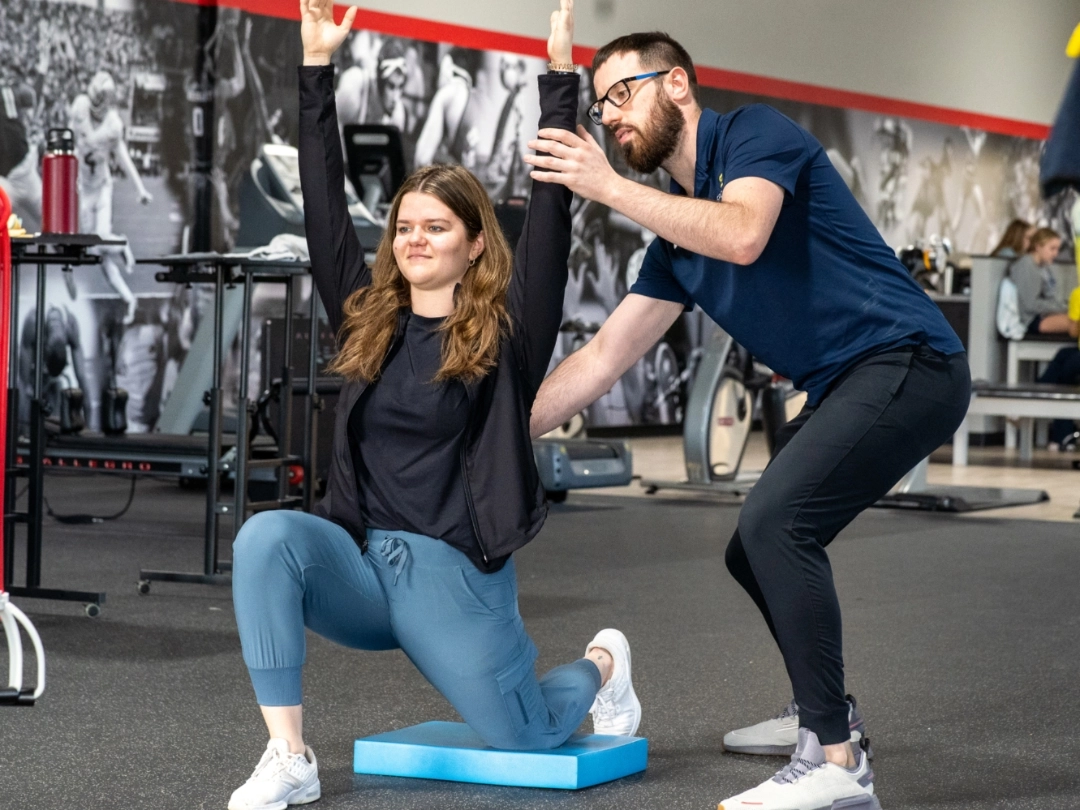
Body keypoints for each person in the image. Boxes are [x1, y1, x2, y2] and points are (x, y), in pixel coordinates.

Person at [524, 31, 970, 810]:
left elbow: (742, 232)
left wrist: (605, 186)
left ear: (680, 86)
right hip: (847, 380)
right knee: (749, 549)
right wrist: (500, 430)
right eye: (602, 105)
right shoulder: (673, 240)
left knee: (776, 525)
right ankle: (823, 705)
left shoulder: (756, 133)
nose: (609, 117)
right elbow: (601, 359)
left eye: (623, 93)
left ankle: (838, 759)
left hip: (912, 361)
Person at [226, 3, 641, 809]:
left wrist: (559, 83)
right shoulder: (366, 316)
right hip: (362, 568)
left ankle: (604, 665)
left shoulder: (507, 331)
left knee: (530, 736)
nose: (415, 239)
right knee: (264, 538)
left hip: (453, 580)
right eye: (405, 227)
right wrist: (316, 69)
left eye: (436, 227)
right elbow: (320, 203)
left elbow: (551, 217)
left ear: (474, 242)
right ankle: (289, 756)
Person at [69, 69, 152, 325]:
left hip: (102, 186)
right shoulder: (79, 108)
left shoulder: (114, 124)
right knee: (96, 253)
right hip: (83, 186)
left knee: (99, 240)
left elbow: (124, 159)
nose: (95, 109)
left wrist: (140, 189)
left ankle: (121, 244)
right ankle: (129, 299)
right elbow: (71, 143)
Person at [1010, 227, 1067, 335]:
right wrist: (1061, 308)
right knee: (1074, 323)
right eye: (1052, 249)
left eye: (1057, 249)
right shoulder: (1026, 265)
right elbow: (1030, 304)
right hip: (1030, 319)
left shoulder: (1044, 267)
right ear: (1038, 247)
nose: (1056, 254)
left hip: (1043, 314)